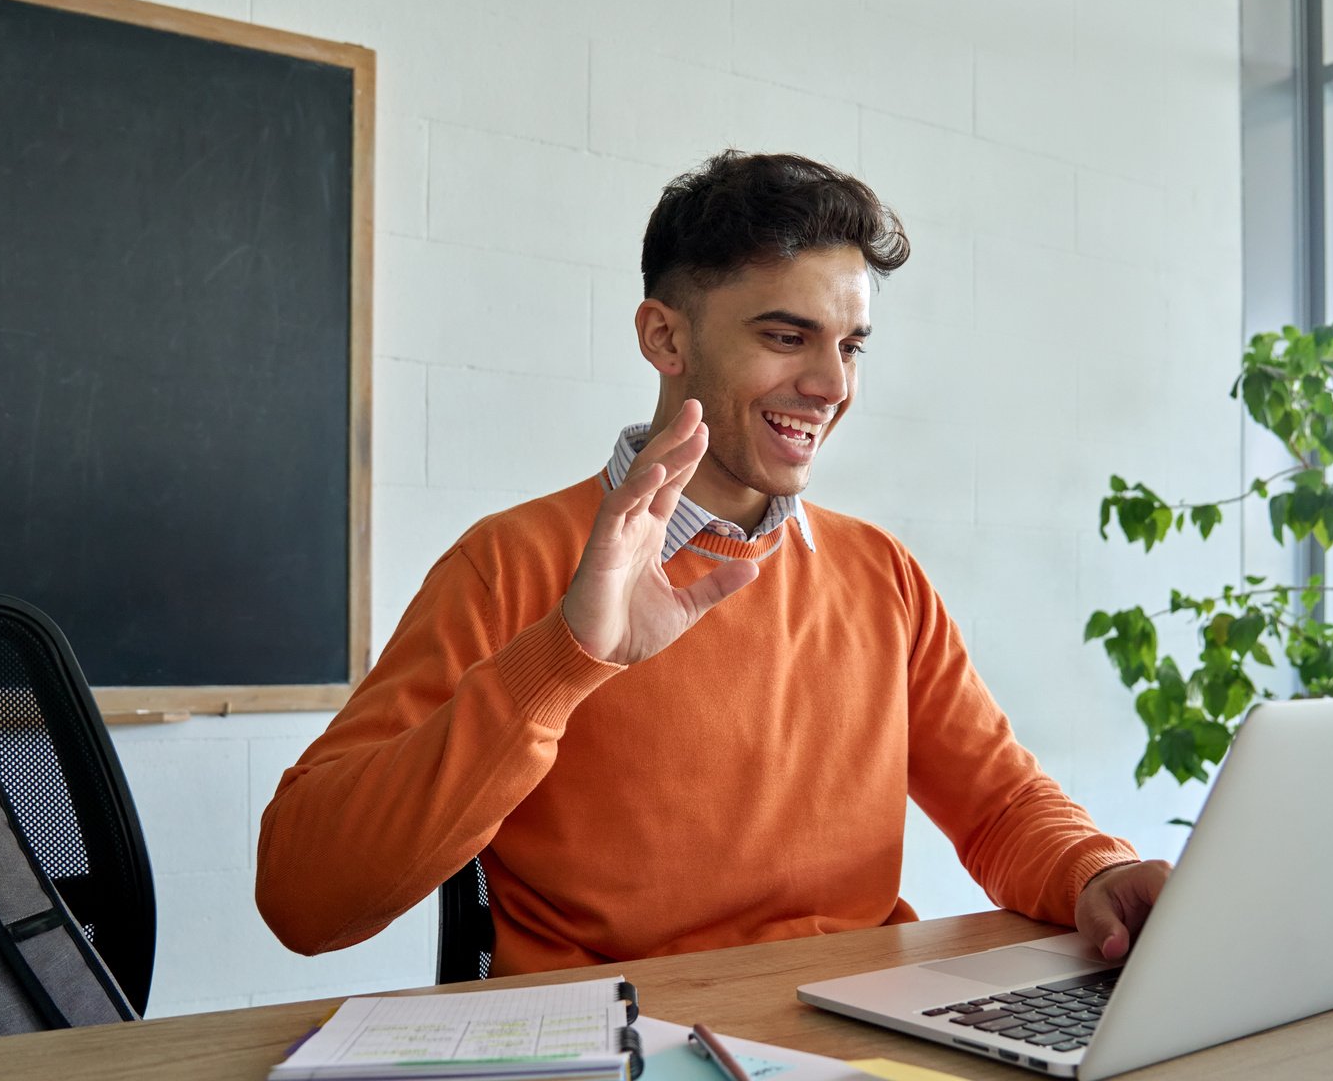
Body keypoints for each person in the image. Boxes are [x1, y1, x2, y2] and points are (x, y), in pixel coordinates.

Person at [256, 151, 1171, 975]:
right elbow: (304, 898)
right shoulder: (513, 562)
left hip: (852, 1031)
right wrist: (567, 659)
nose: (832, 384)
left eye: (849, 345)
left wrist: (1097, 873)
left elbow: (1002, 808)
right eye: (786, 337)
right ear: (665, 339)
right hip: (623, 1044)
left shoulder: (877, 572)